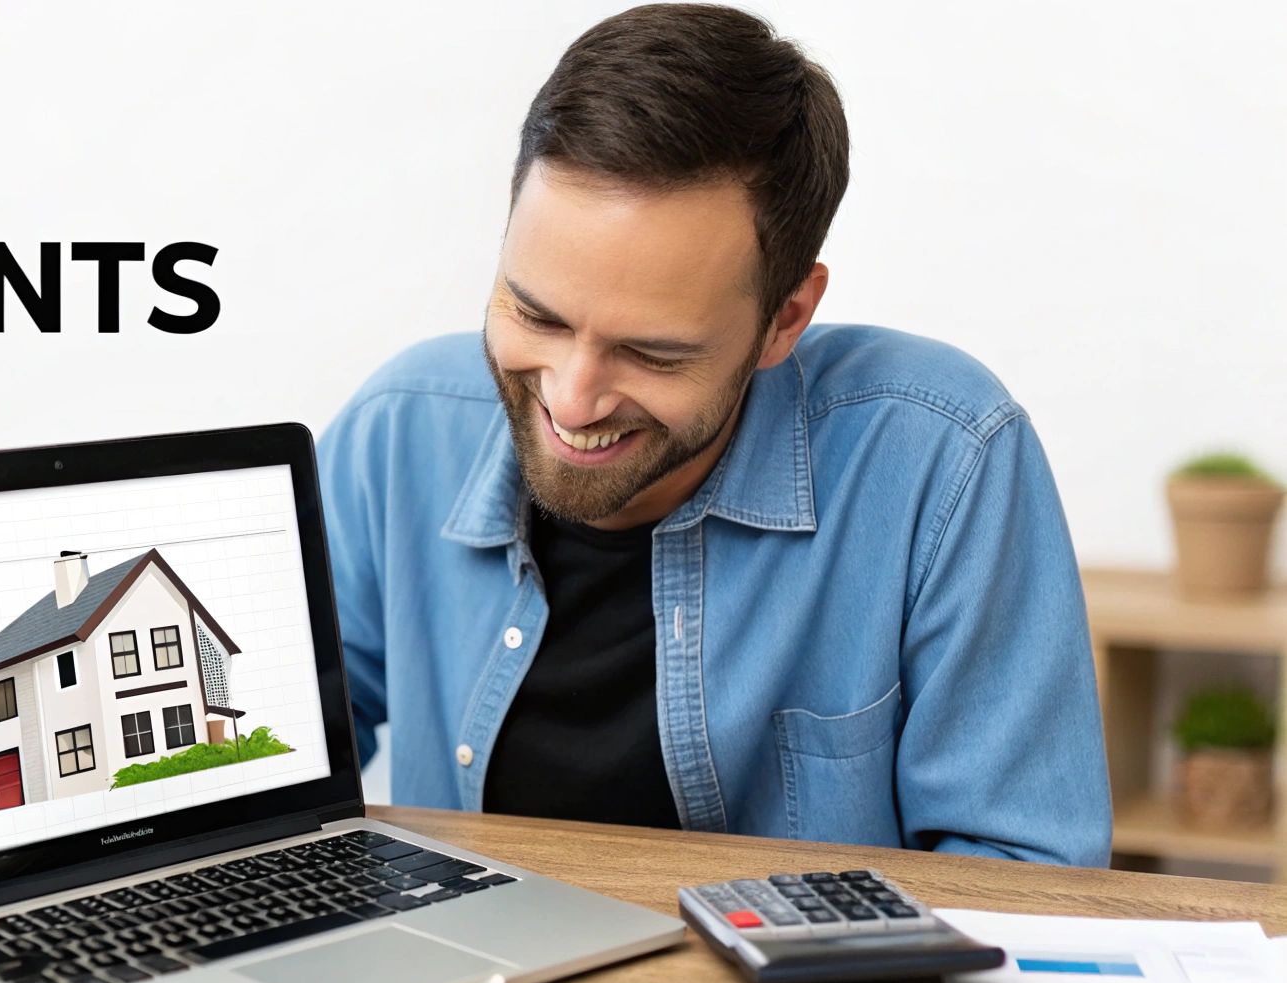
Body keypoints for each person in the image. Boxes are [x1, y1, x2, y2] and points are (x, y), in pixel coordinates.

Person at [317, 3, 1110, 865]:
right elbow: (268, 766)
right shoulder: (396, 433)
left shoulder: (942, 458)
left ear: (785, 318)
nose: (574, 400)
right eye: (536, 315)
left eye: (651, 352)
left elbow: (1029, 880)